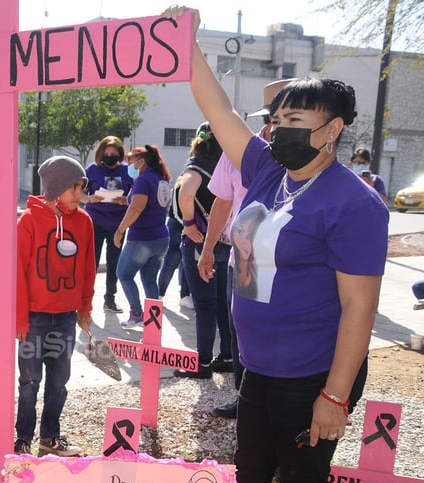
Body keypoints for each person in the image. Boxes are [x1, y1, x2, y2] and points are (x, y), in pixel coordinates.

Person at [166, 7, 388, 483]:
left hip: (313, 373)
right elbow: (215, 106)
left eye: (296, 122)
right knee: (250, 472)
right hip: (258, 365)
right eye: (276, 120)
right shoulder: (268, 171)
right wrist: (185, 42)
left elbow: (359, 309)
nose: (280, 131)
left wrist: (334, 397)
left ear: (332, 129)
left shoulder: (353, 203)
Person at [199, 78, 294, 419]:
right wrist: (209, 248)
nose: (275, 124)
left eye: (288, 118)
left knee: (284, 331)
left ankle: (280, 406)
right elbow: (222, 204)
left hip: (289, 262)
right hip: (245, 261)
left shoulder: (305, 161)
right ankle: (246, 400)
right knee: (244, 329)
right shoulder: (240, 153)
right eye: (273, 117)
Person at [14, 155, 95, 457]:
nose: (79, 195)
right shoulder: (29, 221)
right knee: (29, 382)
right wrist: (20, 319)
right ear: (56, 188)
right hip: (33, 320)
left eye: (81, 188)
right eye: (74, 188)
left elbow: (88, 269)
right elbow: (18, 275)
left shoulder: (84, 221)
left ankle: (50, 437)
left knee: (59, 382)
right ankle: (22, 439)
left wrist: (84, 310)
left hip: (64, 319)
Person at [172, 123, 232, 378]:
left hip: (198, 242)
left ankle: (202, 363)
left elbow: (186, 193)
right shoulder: (225, 166)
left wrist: (188, 222)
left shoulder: (195, 166)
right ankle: (227, 355)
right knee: (221, 302)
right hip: (223, 241)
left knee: (204, 304)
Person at [112, 145, 172, 328]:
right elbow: (148, 204)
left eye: (131, 161)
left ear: (142, 161)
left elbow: (137, 207)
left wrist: (120, 230)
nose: (129, 164)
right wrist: (126, 201)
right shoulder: (161, 178)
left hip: (142, 238)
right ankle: (154, 324)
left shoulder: (143, 180)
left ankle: (137, 314)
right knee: (149, 278)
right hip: (161, 237)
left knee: (123, 273)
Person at [83, 136, 132, 313]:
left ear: (120, 153)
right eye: (107, 153)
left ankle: (110, 299)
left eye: (114, 153)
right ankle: (85, 301)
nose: (110, 156)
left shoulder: (129, 171)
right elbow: (79, 191)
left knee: (114, 262)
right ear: (101, 153)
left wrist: (126, 200)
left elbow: (137, 196)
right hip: (95, 221)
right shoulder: (93, 169)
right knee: (91, 263)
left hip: (117, 224)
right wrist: (89, 198)